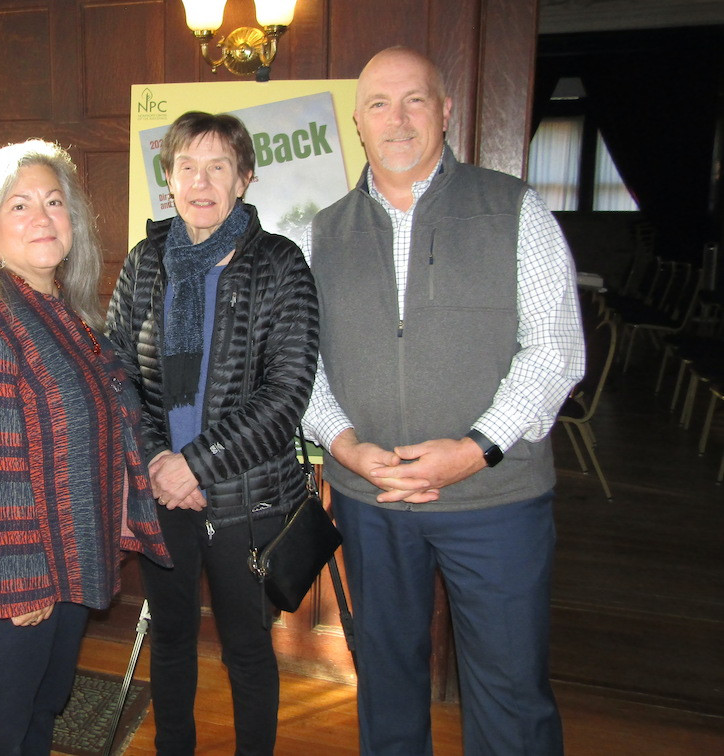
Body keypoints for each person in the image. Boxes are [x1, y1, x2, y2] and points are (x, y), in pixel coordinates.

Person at [304, 47, 585, 755]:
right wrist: (347, 448)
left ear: (446, 111)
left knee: (510, 692)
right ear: (357, 124)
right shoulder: (321, 234)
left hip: (496, 500)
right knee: (389, 685)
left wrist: (476, 449)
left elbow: (556, 351)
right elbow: (300, 366)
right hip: (373, 499)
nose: (397, 120)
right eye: (378, 105)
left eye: (415, 101)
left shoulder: (514, 209)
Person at [0, 139, 170, 756]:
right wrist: (19, 586)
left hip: (61, 570)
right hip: (5, 585)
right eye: (20, 205)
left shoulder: (63, 315)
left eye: (54, 202)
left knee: (37, 720)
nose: (43, 216)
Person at [106, 111, 318, 755]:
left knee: (248, 652)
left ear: (245, 179)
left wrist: (192, 466)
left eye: (218, 167)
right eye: (186, 168)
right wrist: (155, 466)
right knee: (170, 640)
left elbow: (287, 397)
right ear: (168, 179)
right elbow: (115, 374)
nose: (201, 182)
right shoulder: (146, 261)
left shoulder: (280, 264)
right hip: (161, 495)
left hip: (248, 501)